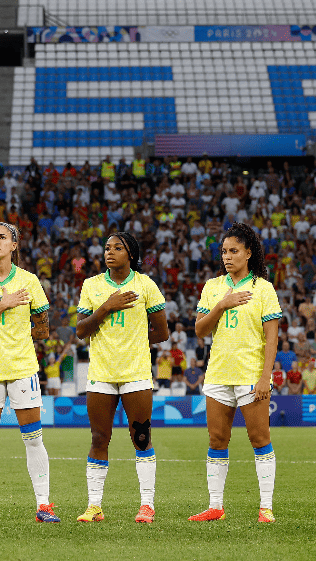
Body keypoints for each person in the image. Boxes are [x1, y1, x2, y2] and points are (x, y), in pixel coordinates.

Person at [0, 222, 57, 524]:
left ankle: (43, 504)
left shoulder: (29, 281)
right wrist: (3, 306)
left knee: (33, 439)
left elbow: (43, 328)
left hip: (21, 367)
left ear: (14, 245)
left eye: (2, 238)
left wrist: (21, 332)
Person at [73, 232, 169, 524]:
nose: (110, 252)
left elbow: (162, 333)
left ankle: (147, 505)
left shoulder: (145, 285)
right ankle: (94, 506)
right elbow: (80, 330)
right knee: (99, 438)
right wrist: (105, 308)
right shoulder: (92, 285)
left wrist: (134, 341)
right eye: (107, 247)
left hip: (136, 373)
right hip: (101, 374)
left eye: (118, 248)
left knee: (141, 438)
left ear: (131, 254)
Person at [189, 223, 282, 524]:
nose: (227, 257)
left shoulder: (263, 289)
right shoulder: (213, 287)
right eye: (224, 252)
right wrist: (222, 304)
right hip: (218, 373)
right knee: (217, 439)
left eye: (234, 251)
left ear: (248, 253)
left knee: (259, 438)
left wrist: (264, 377)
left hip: (250, 374)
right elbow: (201, 330)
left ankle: (265, 506)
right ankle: (215, 506)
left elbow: (272, 337)